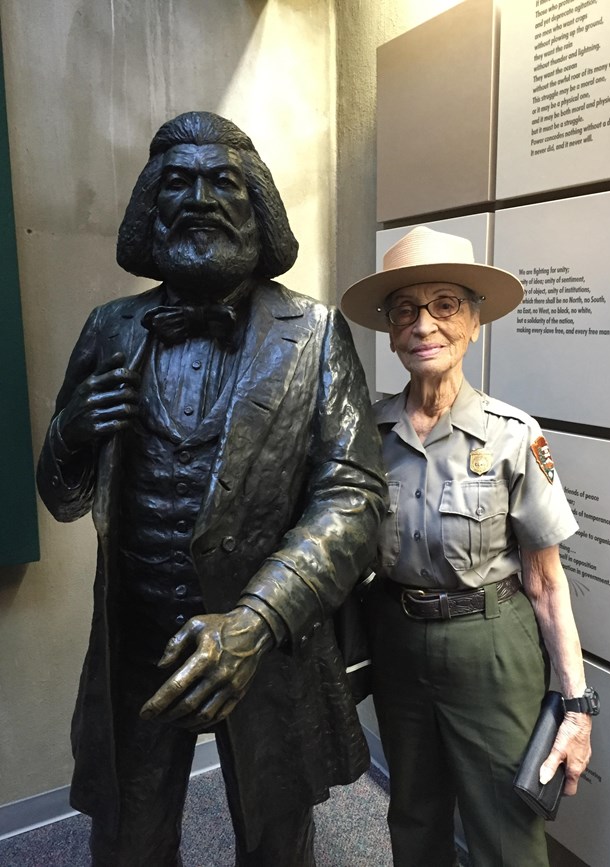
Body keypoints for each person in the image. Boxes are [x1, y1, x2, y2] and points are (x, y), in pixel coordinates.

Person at [37, 111, 386, 867]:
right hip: (136, 642)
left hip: (267, 644)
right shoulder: (110, 328)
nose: (198, 197)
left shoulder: (316, 333)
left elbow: (354, 496)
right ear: (150, 209)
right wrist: (68, 434)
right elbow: (62, 497)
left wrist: (257, 620)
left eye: (222, 181)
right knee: (128, 840)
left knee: (276, 842)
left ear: (257, 204)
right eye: (177, 182)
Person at [341, 226, 596, 867]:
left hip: (492, 646)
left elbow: (546, 581)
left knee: (507, 827)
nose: (423, 324)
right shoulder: (366, 434)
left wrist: (576, 706)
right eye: (405, 310)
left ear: (474, 323)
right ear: (392, 331)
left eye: (444, 305)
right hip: (397, 640)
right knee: (414, 813)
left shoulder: (515, 436)